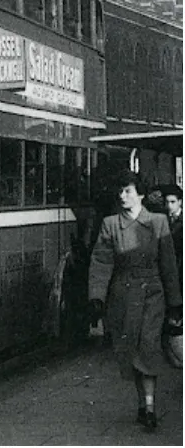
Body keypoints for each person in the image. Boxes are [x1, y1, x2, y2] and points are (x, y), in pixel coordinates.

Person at [88, 174, 182, 431]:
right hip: (122, 297)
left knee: (148, 346)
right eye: (120, 191)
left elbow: (169, 265)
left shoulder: (158, 222)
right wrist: (97, 297)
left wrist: (175, 302)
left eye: (128, 191)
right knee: (130, 351)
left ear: (140, 194)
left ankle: (150, 408)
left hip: (153, 295)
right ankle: (143, 404)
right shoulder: (110, 225)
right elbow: (102, 262)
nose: (122, 196)